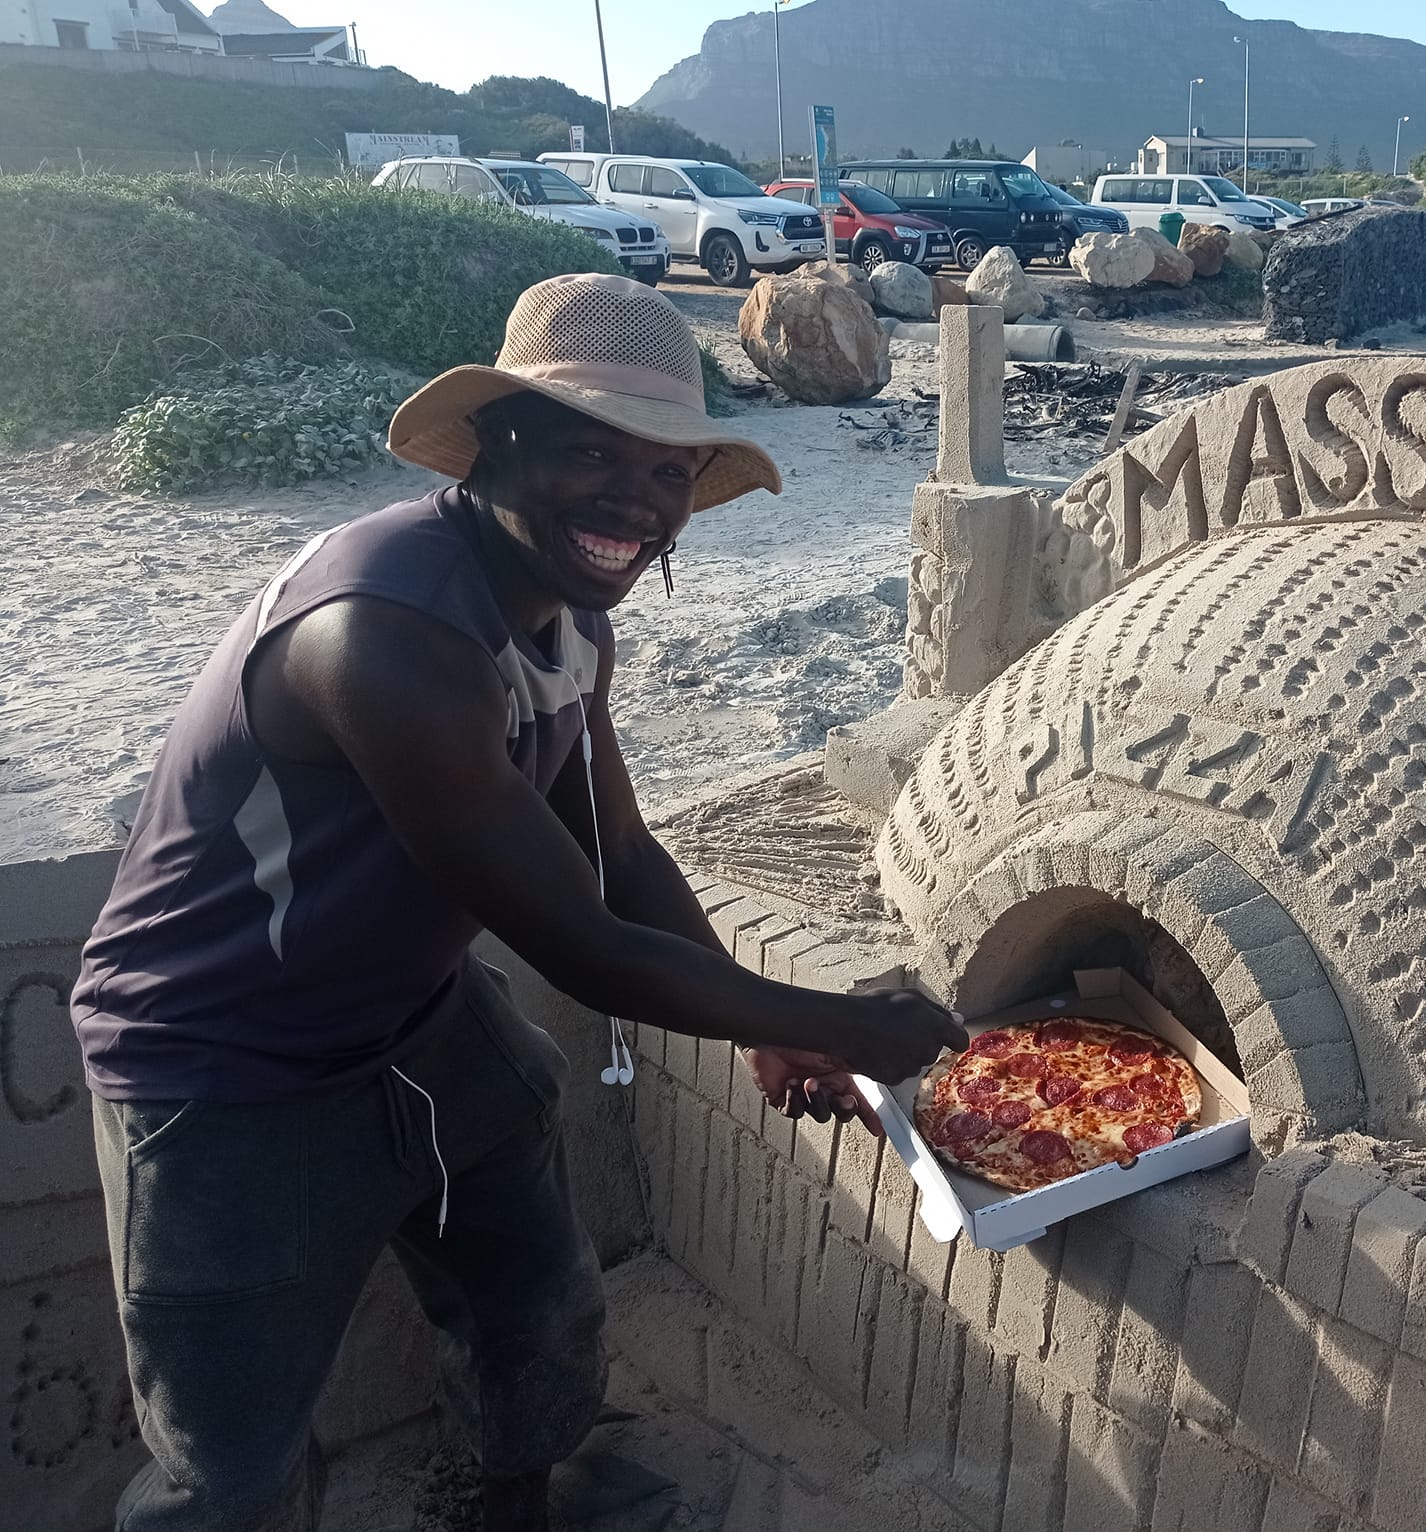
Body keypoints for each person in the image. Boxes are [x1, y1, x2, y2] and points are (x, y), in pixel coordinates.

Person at [69, 272, 967, 1532]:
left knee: (533, 1295)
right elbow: (585, 943)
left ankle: (512, 1500)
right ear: (495, 441)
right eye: (591, 453)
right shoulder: (383, 634)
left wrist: (774, 1026)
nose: (636, 502)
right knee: (229, 1455)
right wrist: (851, 1022)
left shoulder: (564, 620)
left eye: (668, 474)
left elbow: (620, 858)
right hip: (223, 1059)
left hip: (414, 1016)